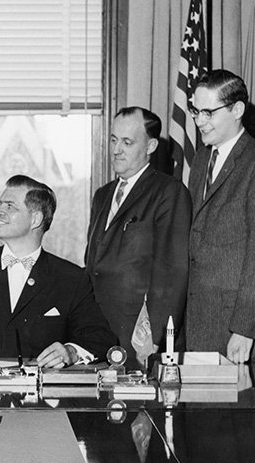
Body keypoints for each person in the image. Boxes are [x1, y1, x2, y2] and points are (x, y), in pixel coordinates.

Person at [0, 175, 117, 366]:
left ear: (36, 219)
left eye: (10, 206)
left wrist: (70, 352)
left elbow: (101, 339)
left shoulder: (71, 278)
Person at [186, 69, 255, 363]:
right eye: (195, 111)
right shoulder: (201, 160)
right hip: (201, 324)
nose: (199, 121)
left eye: (208, 112)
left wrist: (244, 329)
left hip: (241, 332)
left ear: (237, 110)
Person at [85, 107, 191, 365]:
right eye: (113, 140)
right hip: (98, 328)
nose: (116, 149)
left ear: (151, 145)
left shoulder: (168, 192)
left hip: (139, 335)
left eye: (127, 142)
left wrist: (154, 337)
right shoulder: (102, 195)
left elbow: (172, 269)